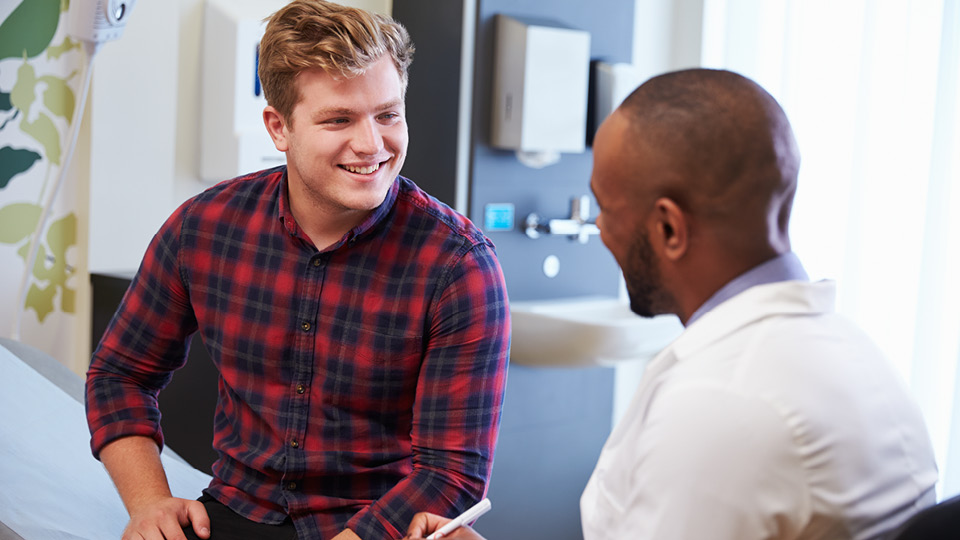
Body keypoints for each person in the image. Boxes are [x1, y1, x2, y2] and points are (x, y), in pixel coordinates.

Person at [404, 68, 939, 540]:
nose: (597, 227)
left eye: (605, 208)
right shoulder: (854, 353)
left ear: (668, 228)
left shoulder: (721, 400)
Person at [85, 2, 510, 539]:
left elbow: (452, 473)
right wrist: (148, 503)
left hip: (378, 527)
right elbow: (118, 375)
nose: (372, 145)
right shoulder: (205, 228)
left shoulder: (458, 266)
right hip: (235, 512)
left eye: (388, 114)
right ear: (278, 127)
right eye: (339, 119)